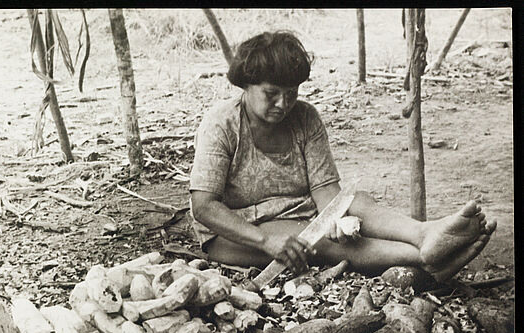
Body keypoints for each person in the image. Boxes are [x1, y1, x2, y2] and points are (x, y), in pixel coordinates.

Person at [189, 31, 496, 281]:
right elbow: (203, 206)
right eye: (272, 94)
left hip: (299, 212)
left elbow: (325, 190)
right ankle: (426, 257)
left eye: (292, 93)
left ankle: (424, 233)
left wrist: (336, 218)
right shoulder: (222, 124)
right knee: (313, 241)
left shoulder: (305, 117)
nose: (284, 104)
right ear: (246, 84)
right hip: (238, 229)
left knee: (355, 202)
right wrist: (265, 241)